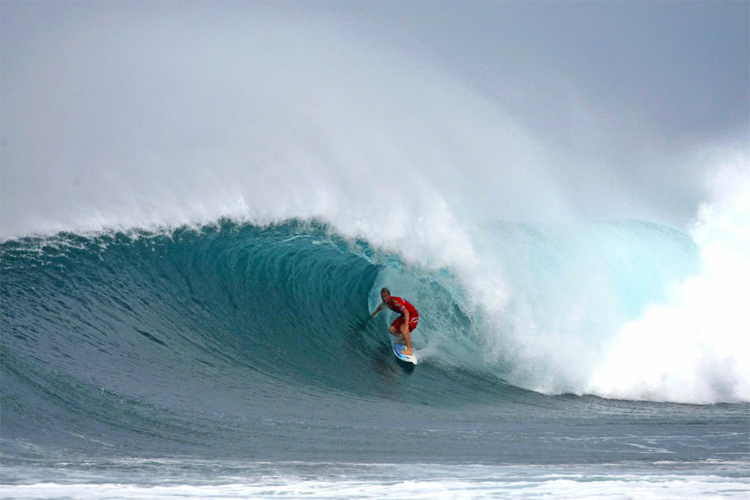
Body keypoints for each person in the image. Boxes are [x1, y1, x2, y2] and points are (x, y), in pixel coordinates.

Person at [370, 287, 418, 356]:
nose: (384, 298)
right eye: (382, 296)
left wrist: (406, 326)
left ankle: (409, 350)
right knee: (391, 330)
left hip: (412, 314)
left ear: (389, 295)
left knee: (402, 328)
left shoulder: (395, 302)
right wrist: (375, 313)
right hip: (403, 315)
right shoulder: (386, 302)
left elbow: (406, 312)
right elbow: (381, 306)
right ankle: (403, 338)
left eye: (385, 296)